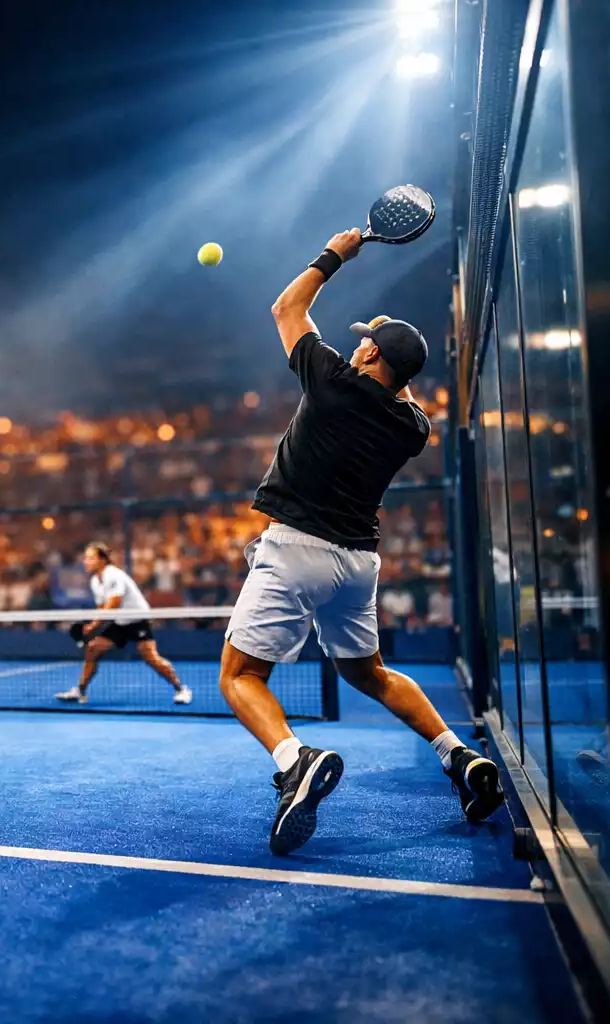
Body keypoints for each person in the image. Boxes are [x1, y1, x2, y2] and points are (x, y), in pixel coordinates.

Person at [220, 228, 502, 856]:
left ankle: (295, 760)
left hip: (295, 550)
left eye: (365, 349)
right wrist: (387, 348)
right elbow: (399, 389)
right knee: (368, 673)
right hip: (358, 563)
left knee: (239, 675)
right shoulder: (413, 427)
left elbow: (287, 308)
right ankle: (459, 757)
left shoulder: (328, 380)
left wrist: (336, 255)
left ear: (370, 356)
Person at [56, 542, 195, 706]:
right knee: (93, 648)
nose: (85, 561)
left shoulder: (113, 575)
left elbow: (113, 603)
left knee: (150, 657)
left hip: (137, 619)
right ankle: (80, 690)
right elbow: (102, 607)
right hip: (120, 621)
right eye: (85, 558)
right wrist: (93, 626)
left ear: (102, 560)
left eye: (90, 558)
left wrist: (93, 626)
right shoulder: (95, 581)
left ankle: (181, 689)